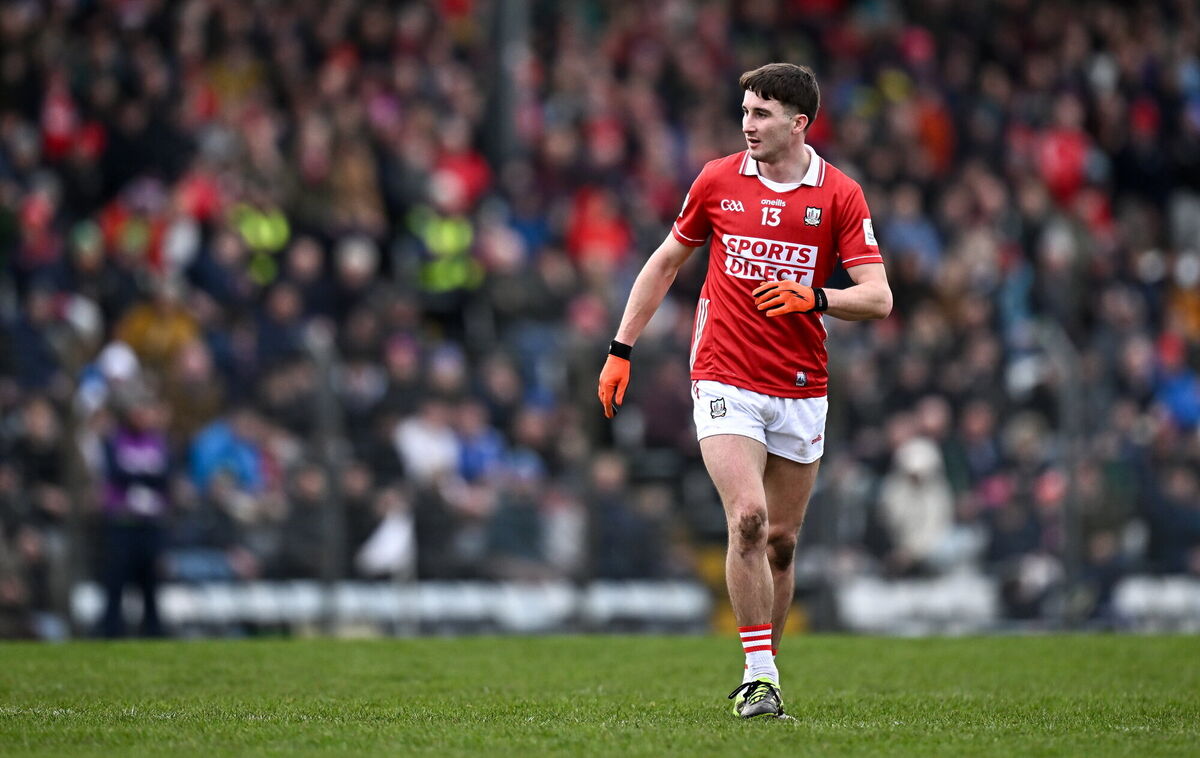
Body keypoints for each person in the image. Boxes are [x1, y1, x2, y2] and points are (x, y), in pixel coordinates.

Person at [598, 63, 892, 718]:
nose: (747, 124)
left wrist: (814, 298)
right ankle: (758, 677)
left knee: (783, 542)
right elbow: (667, 260)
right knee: (749, 518)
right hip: (725, 376)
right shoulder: (717, 180)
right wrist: (621, 348)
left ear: (799, 123)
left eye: (762, 113)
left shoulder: (839, 195)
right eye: (745, 111)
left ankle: (767, 672)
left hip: (801, 386)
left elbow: (878, 297)